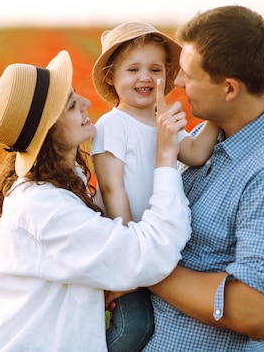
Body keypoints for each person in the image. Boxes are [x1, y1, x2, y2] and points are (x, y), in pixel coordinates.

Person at [108, 5, 264, 351]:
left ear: (229, 89)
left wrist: (142, 267)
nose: (176, 81)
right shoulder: (209, 134)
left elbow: (256, 312)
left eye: (189, 75)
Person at [0, 50, 192, 351]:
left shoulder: (62, 183)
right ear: (49, 133)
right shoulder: (44, 208)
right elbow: (150, 252)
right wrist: (166, 158)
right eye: (70, 105)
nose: (87, 103)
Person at [90, 21, 220, 352]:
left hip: (156, 244)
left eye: (155, 69)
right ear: (111, 77)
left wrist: (216, 117)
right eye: (133, 69)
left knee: (152, 323)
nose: (145, 77)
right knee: (135, 325)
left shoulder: (163, 122)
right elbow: (111, 188)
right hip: (128, 247)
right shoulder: (112, 125)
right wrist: (131, 249)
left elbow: (195, 153)